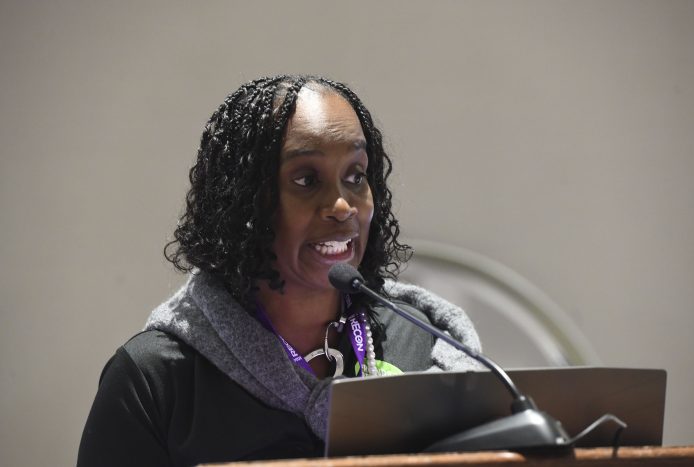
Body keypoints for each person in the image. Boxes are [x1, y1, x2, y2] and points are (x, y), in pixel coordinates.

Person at [77, 75, 482, 466]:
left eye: (356, 177)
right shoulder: (157, 378)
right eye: (306, 180)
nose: (342, 206)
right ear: (243, 201)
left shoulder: (422, 340)